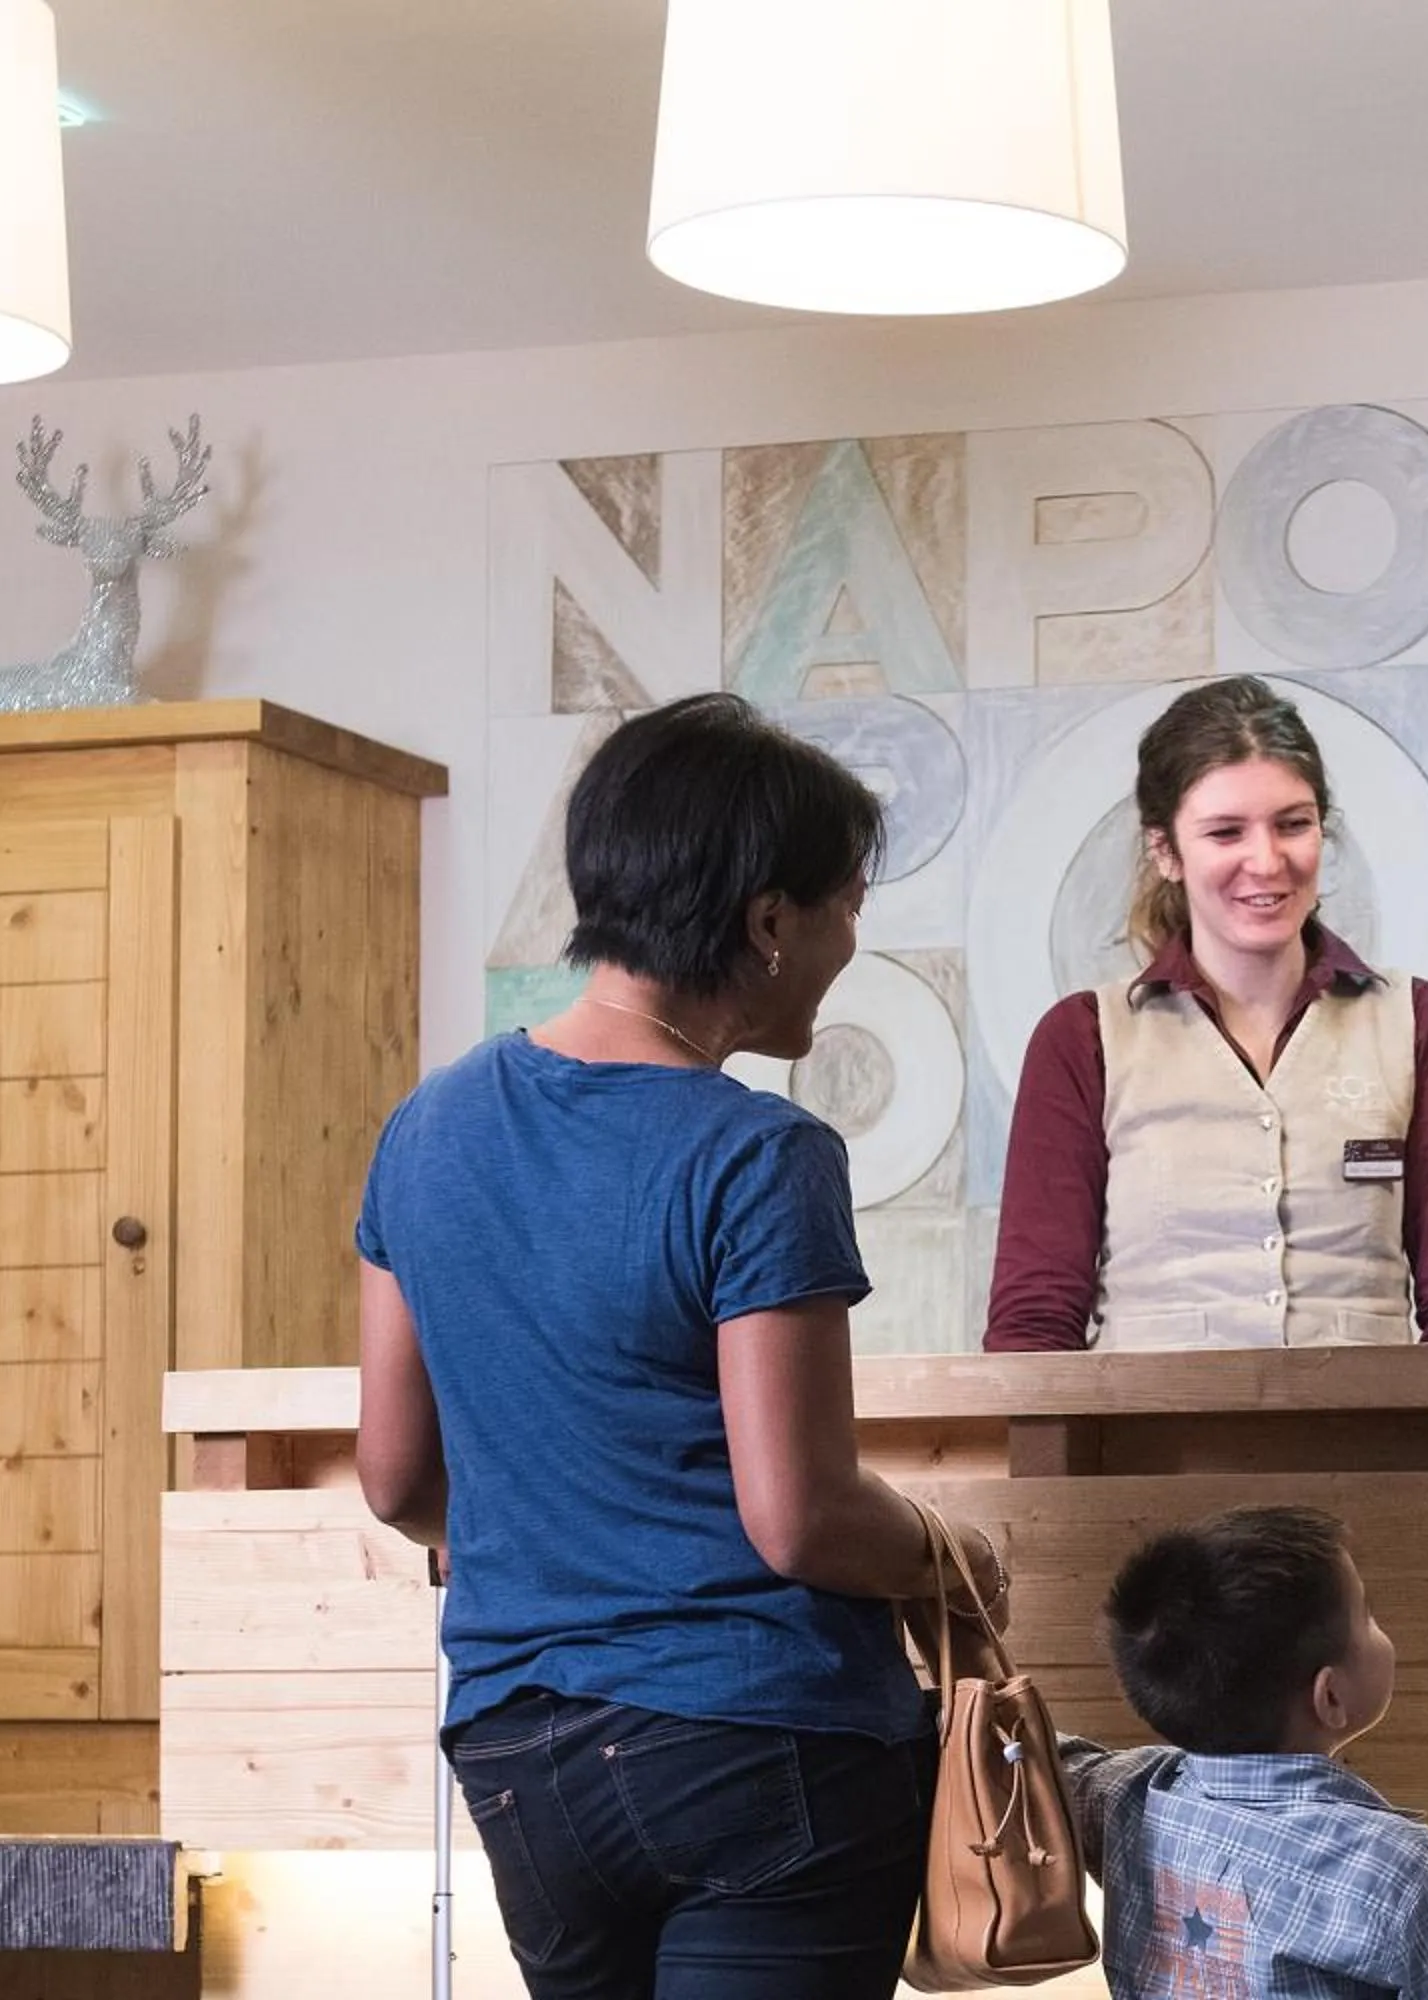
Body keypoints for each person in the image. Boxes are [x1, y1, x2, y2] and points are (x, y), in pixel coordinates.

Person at [353, 694, 1007, 2000]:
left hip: (519, 1751)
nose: (847, 941)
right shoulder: (756, 1154)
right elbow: (802, 1518)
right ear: (769, 923)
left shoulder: (426, 1131)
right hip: (763, 1745)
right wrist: (954, 1557)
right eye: (847, 904)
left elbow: (398, 1482)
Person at [986, 675, 1428, 1350]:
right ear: (1165, 851)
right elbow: (1034, 1326)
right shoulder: (1083, 1039)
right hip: (1144, 1452)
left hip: (1382, 1448)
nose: (1266, 861)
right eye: (1225, 832)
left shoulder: (1418, 1022)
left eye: (1293, 824)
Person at [1060, 1505, 1428, 1999]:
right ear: (1330, 1697)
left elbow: (1023, 1756)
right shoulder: (1390, 1868)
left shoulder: (1129, 1796)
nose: (1381, 1626)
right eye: (1368, 1614)